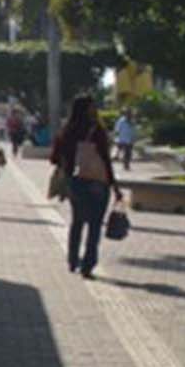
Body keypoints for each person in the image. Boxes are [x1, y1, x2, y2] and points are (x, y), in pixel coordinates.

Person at [50, 95, 122, 280]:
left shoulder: (67, 130)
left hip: (75, 181)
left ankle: (73, 260)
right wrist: (114, 186)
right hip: (98, 182)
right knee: (95, 225)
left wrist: (69, 165)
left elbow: (54, 158)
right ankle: (88, 265)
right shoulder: (96, 129)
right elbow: (105, 159)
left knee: (77, 222)